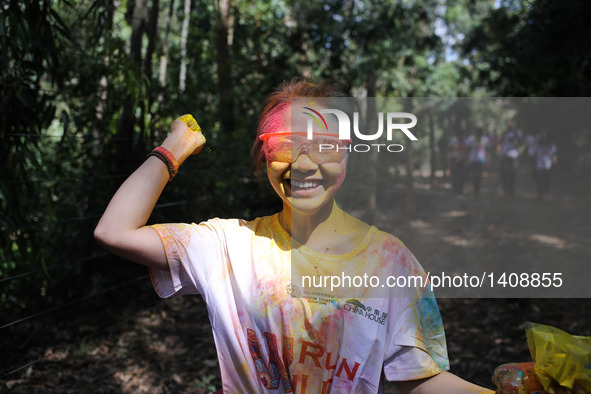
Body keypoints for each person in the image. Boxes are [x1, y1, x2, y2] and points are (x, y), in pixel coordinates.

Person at [94, 80, 493, 393]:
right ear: (263, 156)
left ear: (347, 154)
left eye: (325, 146)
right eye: (285, 144)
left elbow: (416, 378)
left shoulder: (390, 261)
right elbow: (114, 232)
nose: (303, 164)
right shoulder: (229, 246)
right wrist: (172, 149)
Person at [498, 120, 522, 195]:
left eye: (510, 123)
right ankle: (505, 189)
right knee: (504, 173)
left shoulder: (516, 133)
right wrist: (500, 152)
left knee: (512, 173)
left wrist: (514, 141)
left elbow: (520, 143)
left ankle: (512, 190)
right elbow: (500, 143)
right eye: (507, 123)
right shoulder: (504, 133)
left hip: (513, 155)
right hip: (505, 155)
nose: (509, 124)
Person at [465, 127, 490, 196]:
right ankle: (475, 188)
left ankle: (477, 189)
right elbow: (468, 150)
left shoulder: (485, 139)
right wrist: (467, 159)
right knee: (474, 175)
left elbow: (488, 150)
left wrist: (488, 160)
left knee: (479, 175)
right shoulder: (471, 139)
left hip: (481, 160)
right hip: (472, 160)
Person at [533, 133, 557, 200]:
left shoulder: (551, 145)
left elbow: (554, 154)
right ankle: (539, 194)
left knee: (547, 180)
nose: (544, 138)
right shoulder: (538, 145)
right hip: (539, 165)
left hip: (548, 165)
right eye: (543, 136)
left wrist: (554, 160)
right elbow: (533, 153)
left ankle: (546, 193)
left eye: (545, 136)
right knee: (540, 180)